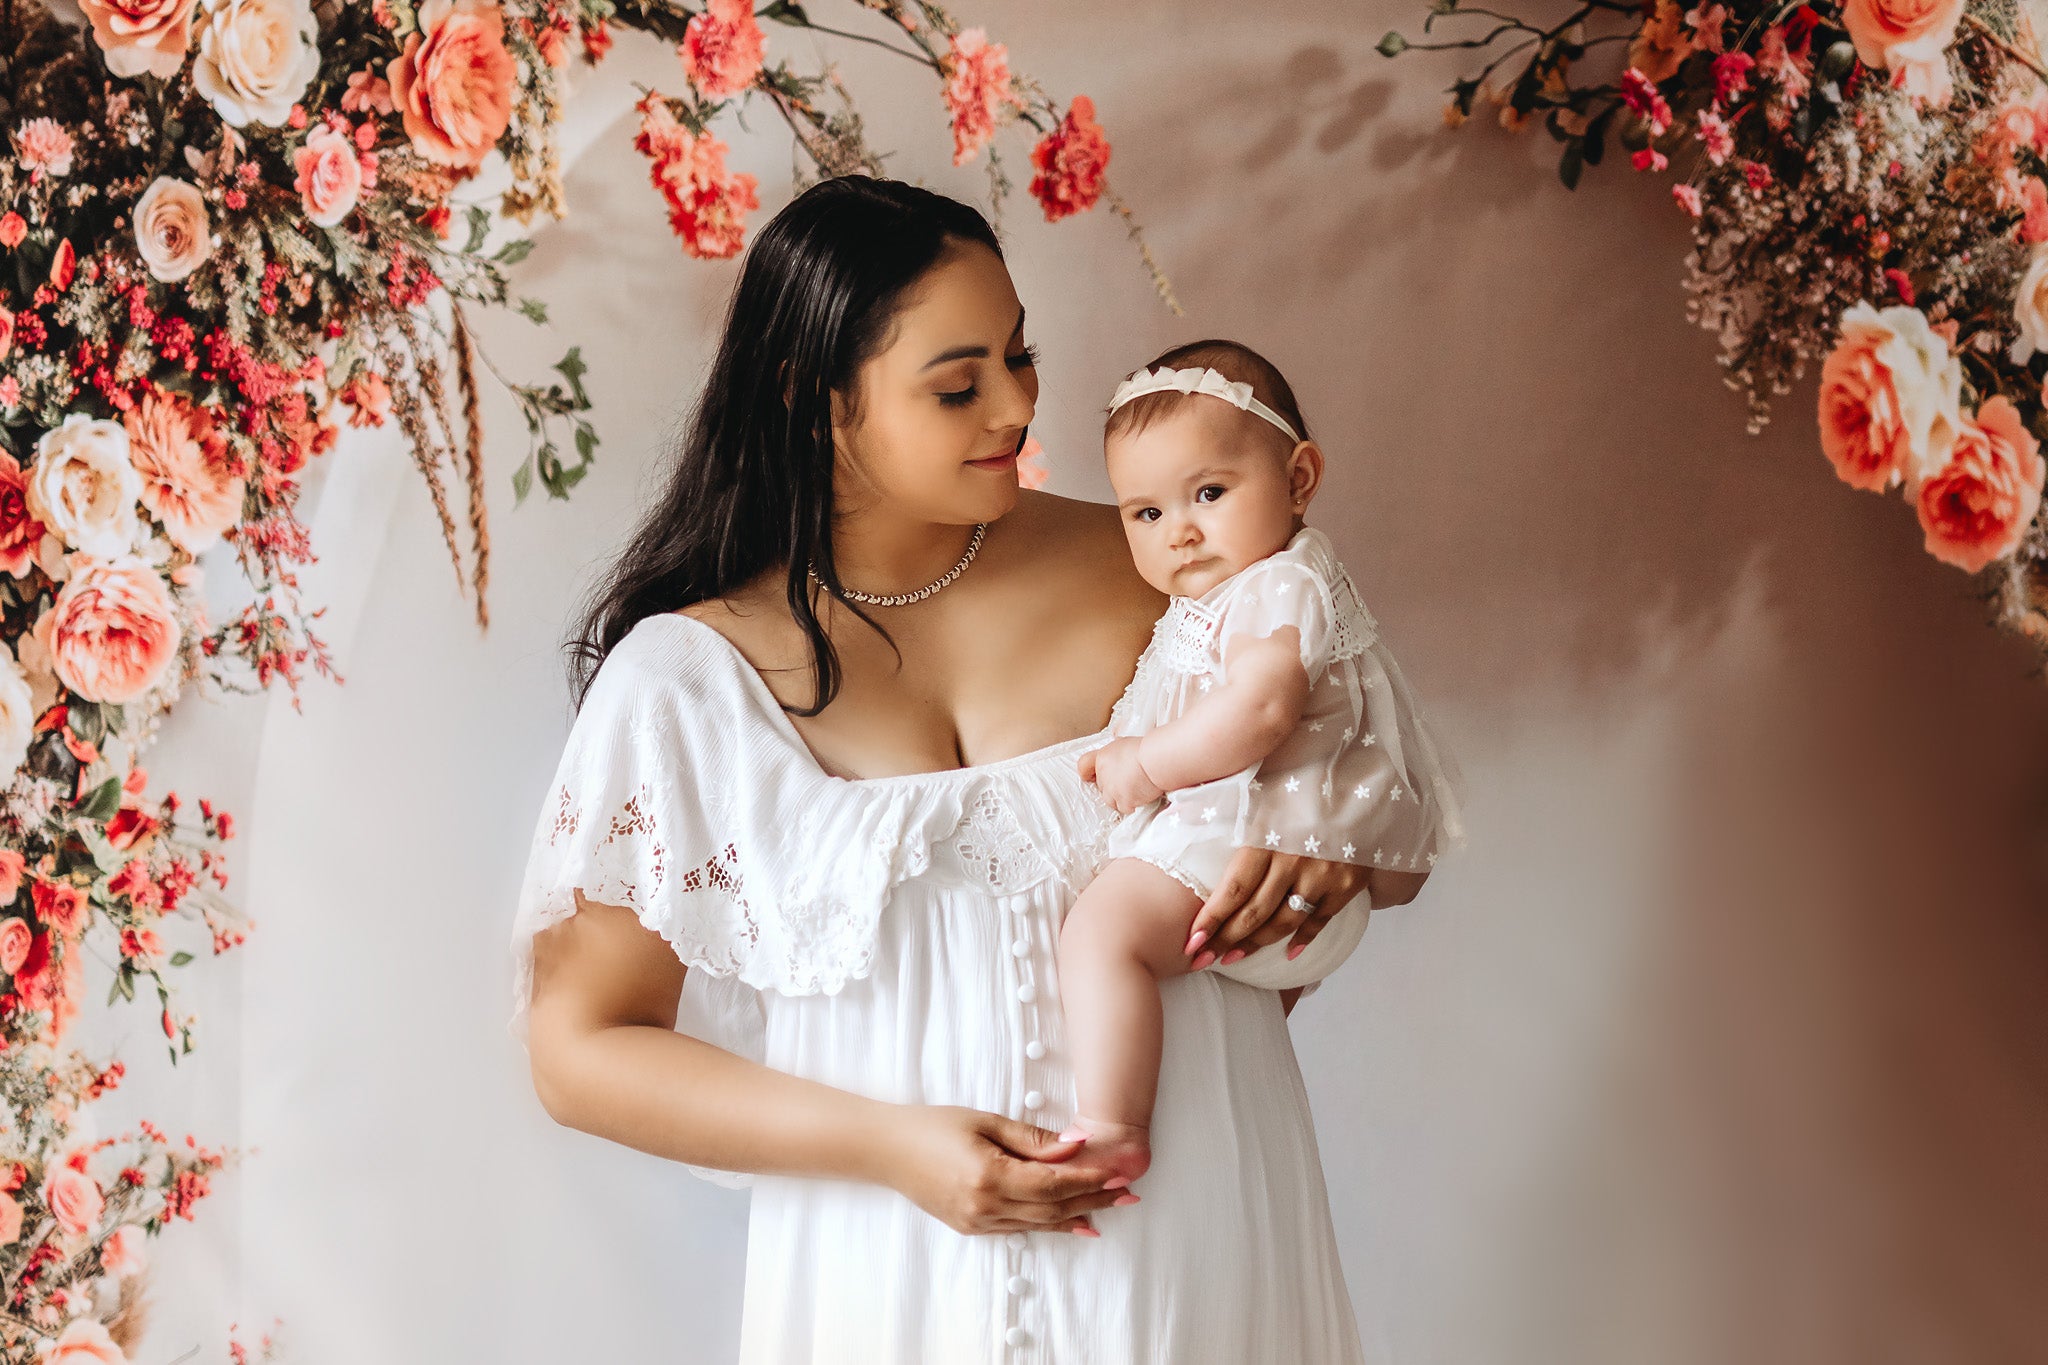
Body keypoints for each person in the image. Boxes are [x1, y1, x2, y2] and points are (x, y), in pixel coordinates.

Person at [509, 174, 1433, 1362]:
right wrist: (893, 1147)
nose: (1013, 405)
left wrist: (1325, 850)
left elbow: (1391, 830)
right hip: (886, 1273)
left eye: (1018, 355)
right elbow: (580, 1050)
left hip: (1191, 1237)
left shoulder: (1169, 569)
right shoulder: (690, 680)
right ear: (813, 403)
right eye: (956, 384)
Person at [1057, 340, 1469, 1185]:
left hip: (1252, 850)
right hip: (1279, 893)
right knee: (1213, 1033)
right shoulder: (1241, 586)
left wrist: (1146, 765)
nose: (1182, 531)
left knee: (1101, 931)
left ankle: (1111, 1126)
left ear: (1299, 478)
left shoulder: (1275, 585)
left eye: (1209, 492)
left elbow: (1262, 707)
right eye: (1145, 513)